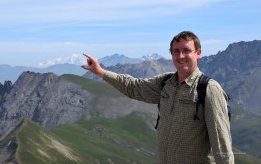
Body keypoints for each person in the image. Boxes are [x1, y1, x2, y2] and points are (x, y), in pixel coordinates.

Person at [81, 31, 234, 164]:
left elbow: (222, 146)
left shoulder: (209, 89)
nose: (181, 56)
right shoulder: (165, 83)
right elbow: (133, 87)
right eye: (176, 51)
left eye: (186, 50)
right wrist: (100, 72)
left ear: (198, 53)